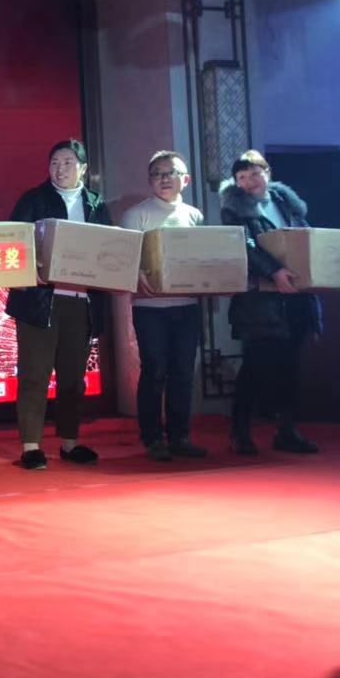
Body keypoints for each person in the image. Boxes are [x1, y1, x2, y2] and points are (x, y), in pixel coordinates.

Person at [5, 139, 112, 470]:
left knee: (72, 378)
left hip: (82, 301)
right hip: (40, 300)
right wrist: (31, 270)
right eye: (54, 162)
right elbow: (14, 243)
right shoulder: (33, 199)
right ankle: (31, 445)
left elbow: (110, 250)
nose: (60, 168)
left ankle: (70, 442)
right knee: (34, 374)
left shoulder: (96, 204)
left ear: (83, 168)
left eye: (67, 162)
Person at [219, 150, 321, 455]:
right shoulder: (233, 209)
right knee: (255, 365)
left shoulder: (286, 203)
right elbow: (245, 245)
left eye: (254, 174)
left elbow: (305, 240)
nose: (248, 181)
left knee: (290, 366)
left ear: (268, 173)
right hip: (259, 302)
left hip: (296, 298)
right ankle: (240, 432)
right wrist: (273, 271)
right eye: (241, 177)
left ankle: (287, 430)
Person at [120, 151, 208, 462]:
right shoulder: (136, 215)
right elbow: (121, 258)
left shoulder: (195, 216)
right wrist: (136, 273)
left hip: (187, 305)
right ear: (150, 181)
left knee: (183, 371)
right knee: (154, 370)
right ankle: (152, 437)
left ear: (186, 179)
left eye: (171, 173)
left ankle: (180, 436)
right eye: (157, 174)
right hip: (150, 308)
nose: (164, 178)